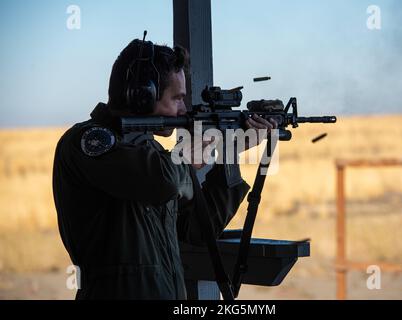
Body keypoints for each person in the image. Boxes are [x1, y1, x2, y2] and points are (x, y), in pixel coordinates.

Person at [52, 37, 277, 300]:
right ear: (142, 96)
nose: (183, 108)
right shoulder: (90, 141)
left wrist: (229, 153)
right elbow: (163, 182)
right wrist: (186, 155)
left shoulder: (152, 153)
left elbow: (196, 231)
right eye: (177, 98)